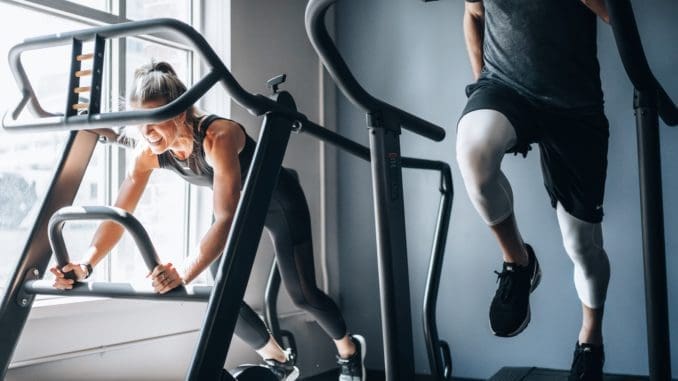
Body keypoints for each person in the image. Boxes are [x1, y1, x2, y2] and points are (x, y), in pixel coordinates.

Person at [50, 61, 366, 381]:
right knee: (220, 289)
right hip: (235, 205)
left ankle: (350, 352)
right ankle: (280, 360)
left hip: (279, 201)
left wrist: (183, 273)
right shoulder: (148, 152)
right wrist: (85, 265)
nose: (147, 132)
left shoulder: (218, 136)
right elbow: (118, 216)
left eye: (154, 119)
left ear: (180, 112)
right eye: (139, 121)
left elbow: (227, 218)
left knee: (303, 294)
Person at [457, 1, 611, 380]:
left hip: (574, 105)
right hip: (505, 87)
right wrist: (481, 83)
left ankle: (590, 336)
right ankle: (519, 262)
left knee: (582, 245)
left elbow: (614, 14)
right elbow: (475, 13)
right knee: (474, 151)